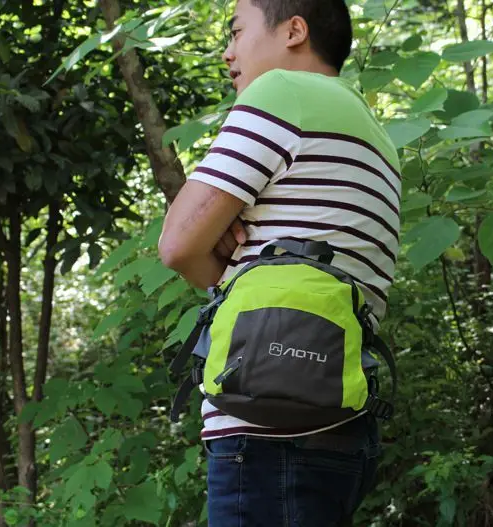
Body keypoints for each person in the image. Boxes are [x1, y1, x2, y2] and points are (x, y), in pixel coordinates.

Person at [158, 0, 401, 524]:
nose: (228, 53)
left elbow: (176, 245)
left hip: (266, 428)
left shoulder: (282, 92)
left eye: (237, 32)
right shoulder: (376, 135)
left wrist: (218, 248)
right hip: (342, 425)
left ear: (294, 31)